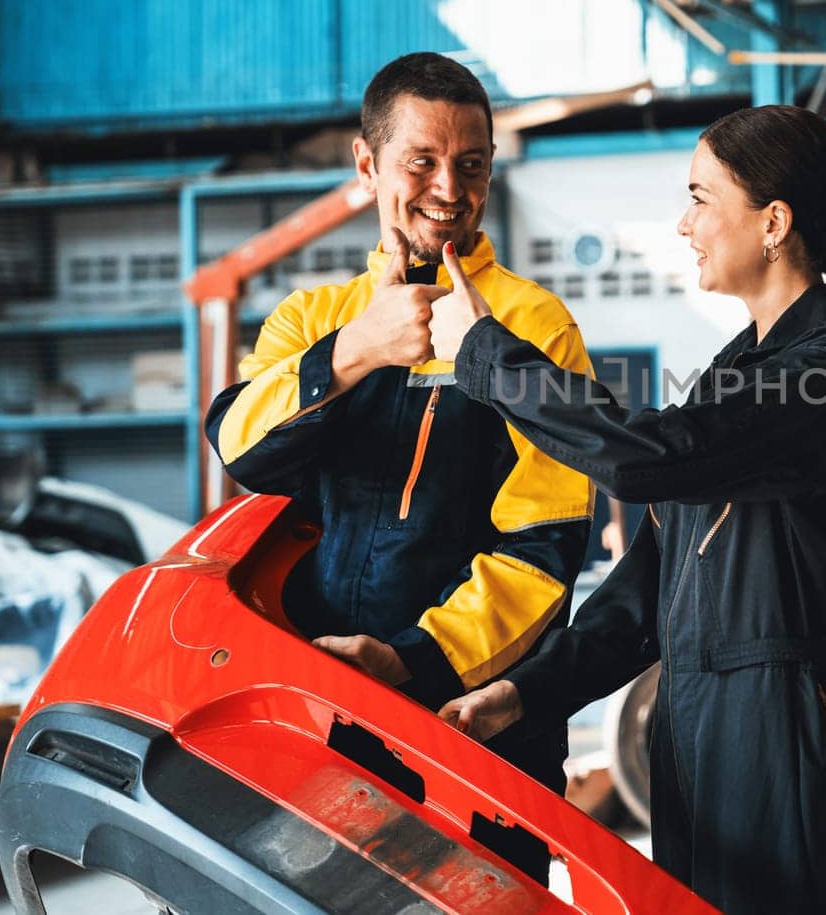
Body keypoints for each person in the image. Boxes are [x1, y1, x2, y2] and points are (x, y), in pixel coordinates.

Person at [428, 105, 826, 915]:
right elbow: (646, 595)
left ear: (774, 221)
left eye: (700, 197)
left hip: (776, 718)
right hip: (690, 715)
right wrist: (530, 691)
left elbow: (647, 455)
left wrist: (488, 355)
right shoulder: (737, 371)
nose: (683, 223)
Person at [203, 52, 593, 884]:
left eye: (473, 163)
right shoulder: (311, 319)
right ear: (367, 163)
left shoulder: (533, 324)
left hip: (477, 729)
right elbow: (242, 448)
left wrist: (408, 657)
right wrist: (354, 353)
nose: (450, 187)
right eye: (422, 160)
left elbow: (546, 546)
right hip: (318, 713)